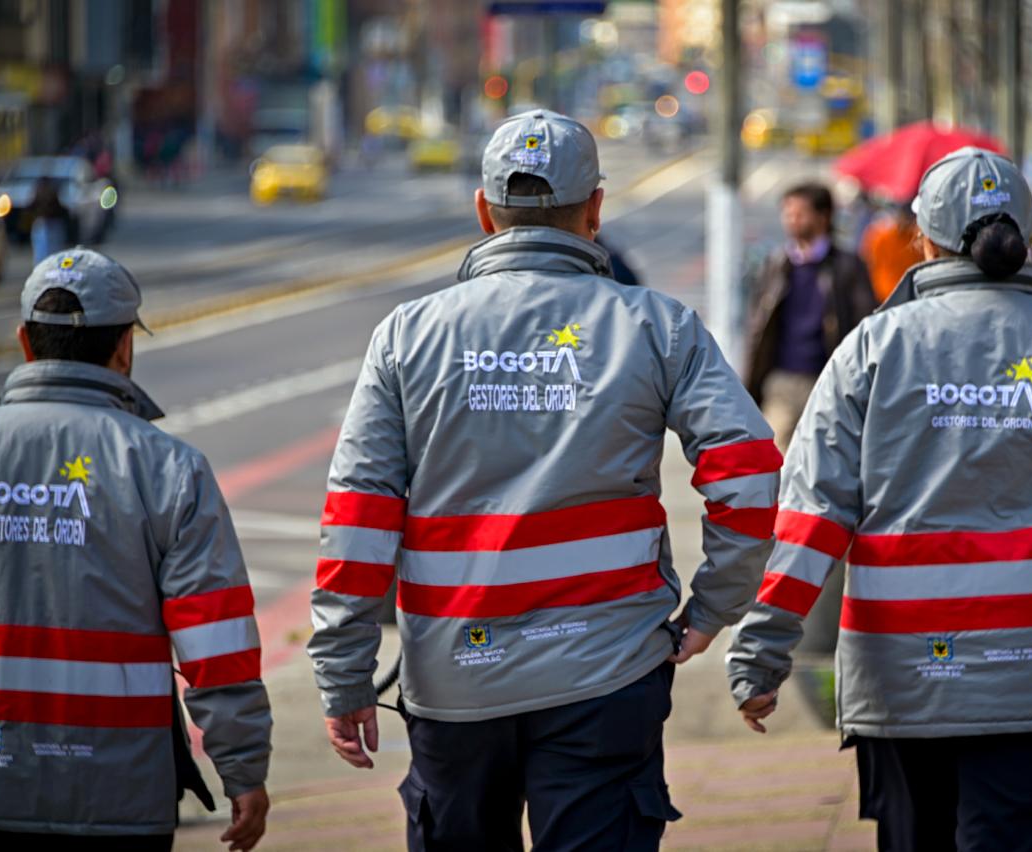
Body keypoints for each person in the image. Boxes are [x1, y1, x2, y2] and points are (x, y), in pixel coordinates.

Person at [308, 109, 779, 851]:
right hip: (609, 674)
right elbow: (749, 477)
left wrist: (344, 674)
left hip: (455, 681)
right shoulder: (657, 327)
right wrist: (712, 608)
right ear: (595, 209)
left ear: (484, 212)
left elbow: (358, 519)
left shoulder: (408, 335)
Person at [726, 148, 1032, 851]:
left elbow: (810, 518)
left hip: (904, 681)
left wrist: (762, 649)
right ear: (1030, 241)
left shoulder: (869, 352)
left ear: (925, 241)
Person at [0, 249, 273, 850]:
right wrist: (243, 770)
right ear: (125, 348)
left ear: (24, 342)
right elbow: (216, 643)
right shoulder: (170, 468)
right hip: (120, 793)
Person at [744, 182, 876, 451]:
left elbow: (865, 324)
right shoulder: (776, 264)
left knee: (823, 460)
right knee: (775, 462)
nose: (792, 220)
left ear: (823, 216)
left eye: (800, 213)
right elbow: (759, 325)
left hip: (827, 381)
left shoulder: (847, 266)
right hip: (780, 380)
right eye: (788, 213)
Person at [858, 202, 923, 303]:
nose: (906, 223)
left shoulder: (915, 239)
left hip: (907, 296)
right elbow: (868, 262)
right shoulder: (882, 237)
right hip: (883, 296)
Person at [30, 177, 69, 265]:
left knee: (53, 251)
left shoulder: (54, 199)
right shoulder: (41, 197)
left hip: (52, 223)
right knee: (44, 252)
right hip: (44, 223)